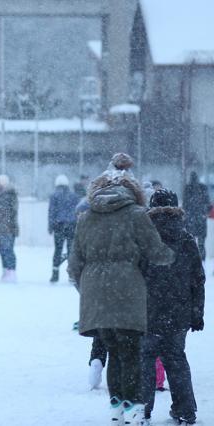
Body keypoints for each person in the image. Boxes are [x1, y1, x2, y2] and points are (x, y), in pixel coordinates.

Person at [68, 173, 175, 425]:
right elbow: (155, 251)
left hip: (96, 294)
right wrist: (173, 256)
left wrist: (88, 290)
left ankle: (115, 405)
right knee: (132, 353)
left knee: (114, 351)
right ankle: (134, 407)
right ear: (133, 192)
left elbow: (74, 264)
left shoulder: (85, 218)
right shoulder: (137, 215)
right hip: (128, 290)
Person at [140, 189, 205, 425]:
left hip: (148, 312)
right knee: (176, 360)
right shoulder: (186, 239)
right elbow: (198, 280)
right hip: (178, 314)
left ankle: (141, 411)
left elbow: (134, 276)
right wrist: (197, 313)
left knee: (145, 360)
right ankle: (185, 410)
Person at [47, 174, 79, 283]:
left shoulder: (54, 195)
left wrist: (50, 226)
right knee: (71, 251)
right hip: (72, 226)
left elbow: (51, 212)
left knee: (58, 250)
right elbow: (77, 212)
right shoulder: (74, 196)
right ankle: (72, 275)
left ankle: (55, 274)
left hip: (59, 226)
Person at [183, 171, 211, 260]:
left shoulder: (187, 188)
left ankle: (193, 260)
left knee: (191, 242)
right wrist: (205, 213)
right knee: (201, 243)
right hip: (200, 218)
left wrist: (185, 215)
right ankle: (202, 261)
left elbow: (185, 204)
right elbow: (208, 203)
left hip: (190, 218)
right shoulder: (203, 188)